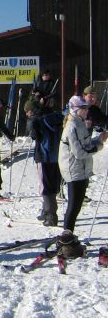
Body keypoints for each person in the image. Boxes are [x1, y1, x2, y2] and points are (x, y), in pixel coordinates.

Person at [59, 97, 108, 231]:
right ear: (76, 109)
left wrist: (99, 139)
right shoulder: (72, 126)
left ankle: (69, 234)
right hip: (73, 168)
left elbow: (85, 144)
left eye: (87, 107)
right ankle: (67, 235)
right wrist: (98, 146)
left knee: (78, 205)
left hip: (81, 169)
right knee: (74, 205)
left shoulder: (79, 123)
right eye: (84, 108)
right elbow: (79, 152)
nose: (87, 110)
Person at [27, 99, 64, 226]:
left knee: (45, 187)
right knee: (53, 185)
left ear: (32, 111)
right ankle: (46, 211)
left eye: (27, 111)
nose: (27, 114)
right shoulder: (55, 117)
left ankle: (51, 216)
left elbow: (34, 136)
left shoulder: (38, 120)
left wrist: (31, 123)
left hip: (44, 156)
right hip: (57, 155)